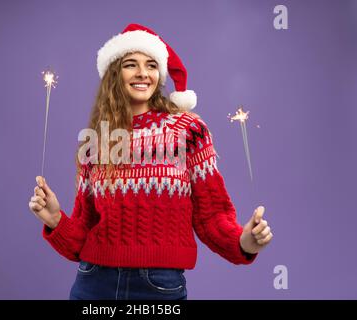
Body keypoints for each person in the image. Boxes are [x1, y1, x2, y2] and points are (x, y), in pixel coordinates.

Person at [28, 23, 273, 300]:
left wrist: (244, 242)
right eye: (131, 64)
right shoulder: (96, 140)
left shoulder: (187, 129)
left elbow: (212, 216)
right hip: (93, 282)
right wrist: (55, 219)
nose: (143, 73)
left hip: (158, 286)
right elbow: (83, 236)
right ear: (114, 73)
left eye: (152, 65)